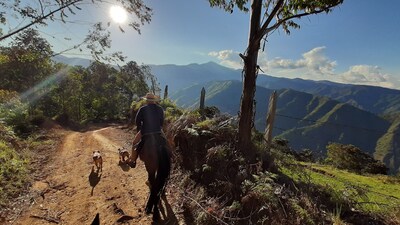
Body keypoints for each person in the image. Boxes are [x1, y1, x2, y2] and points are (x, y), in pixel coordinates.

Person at [129, 92, 164, 168]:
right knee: (167, 143)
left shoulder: (142, 109)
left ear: (146, 100)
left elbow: (137, 121)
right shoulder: (160, 109)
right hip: (158, 130)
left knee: (134, 143)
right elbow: (162, 121)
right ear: (154, 100)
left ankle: (133, 160)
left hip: (145, 131)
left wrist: (140, 129)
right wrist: (159, 127)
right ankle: (172, 157)